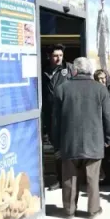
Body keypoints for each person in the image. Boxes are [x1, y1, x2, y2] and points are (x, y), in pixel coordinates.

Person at [52, 57, 110, 219]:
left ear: (75, 70)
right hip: (94, 141)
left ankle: (69, 210)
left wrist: (56, 143)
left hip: (69, 142)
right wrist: (109, 138)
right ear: (90, 70)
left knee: (69, 178)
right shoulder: (100, 89)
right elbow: (108, 117)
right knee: (93, 179)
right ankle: (93, 210)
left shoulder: (62, 89)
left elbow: (55, 121)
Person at [42, 44, 74, 191]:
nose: (58, 58)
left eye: (60, 55)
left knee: (67, 147)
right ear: (49, 56)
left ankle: (70, 178)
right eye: (55, 55)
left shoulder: (69, 70)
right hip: (50, 116)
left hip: (66, 114)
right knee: (56, 148)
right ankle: (59, 178)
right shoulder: (43, 70)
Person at [96, 0, 110, 70]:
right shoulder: (99, 12)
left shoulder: (106, 12)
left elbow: (107, 26)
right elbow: (97, 25)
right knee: (101, 52)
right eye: (101, 0)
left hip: (105, 33)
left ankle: (106, 69)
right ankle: (102, 68)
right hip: (100, 33)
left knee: (105, 51)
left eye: (103, 0)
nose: (102, 2)